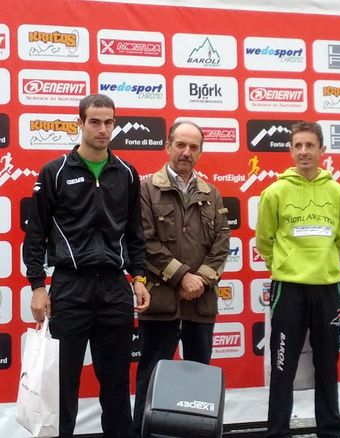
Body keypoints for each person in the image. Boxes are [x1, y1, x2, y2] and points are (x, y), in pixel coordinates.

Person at [23, 93, 150, 438]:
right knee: (62, 386)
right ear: (79, 123)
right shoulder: (55, 172)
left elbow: (135, 233)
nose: (102, 129)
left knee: (116, 386)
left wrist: (139, 277)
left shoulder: (126, 173)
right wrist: (37, 286)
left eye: (109, 122)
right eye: (94, 122)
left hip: (114, 290)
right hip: (70, 288)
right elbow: (35, 235)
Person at [132, 121, 231, 437]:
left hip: (200, 305)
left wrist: (199, 280)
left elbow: (222, 245)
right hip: (160, 304)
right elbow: (145, 242)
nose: (186, 152)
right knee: (151, 378)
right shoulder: (146, 189)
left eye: (193, 147)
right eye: (180, 145)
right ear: (168, 146)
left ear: (200, 152)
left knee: (199, 386)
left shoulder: (212, 194)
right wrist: (182, 277)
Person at [256, 121, 340, 438]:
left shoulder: (338, 193)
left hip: (327, 288)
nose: (304, 151)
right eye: (298, 146)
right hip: (289, 288)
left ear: (322, 150)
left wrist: (323, 264)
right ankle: (277, 430)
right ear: (290, 150)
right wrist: (284, 265)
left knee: (327, 364)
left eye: (310, 145)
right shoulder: (275, 192)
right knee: (283, 365)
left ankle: (330, 428)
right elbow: (264, 240)